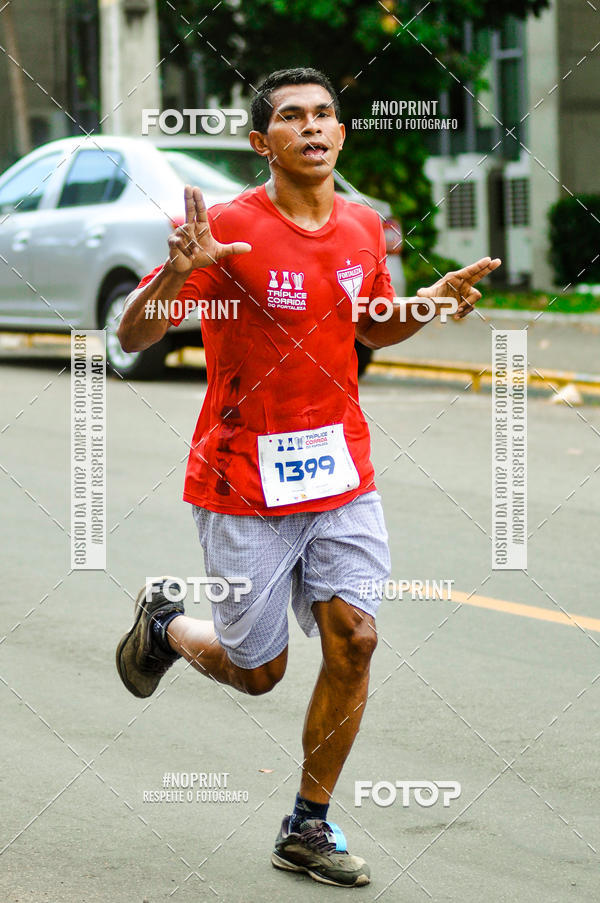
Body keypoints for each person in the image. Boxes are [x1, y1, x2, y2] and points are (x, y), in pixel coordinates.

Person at [115, 67, 500, 887]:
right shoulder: (224, 229)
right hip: (242, 481)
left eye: (326, 114)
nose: (314, 128)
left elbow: (369, 326)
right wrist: (183, 273)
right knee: (259, 672)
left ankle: (308, 824)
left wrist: (428, 300)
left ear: (342, 133)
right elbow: (134, 332)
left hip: (341, 474)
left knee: (355, 641)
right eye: (292, 117)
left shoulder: (366, 228)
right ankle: (167, 628)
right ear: (263, 142)